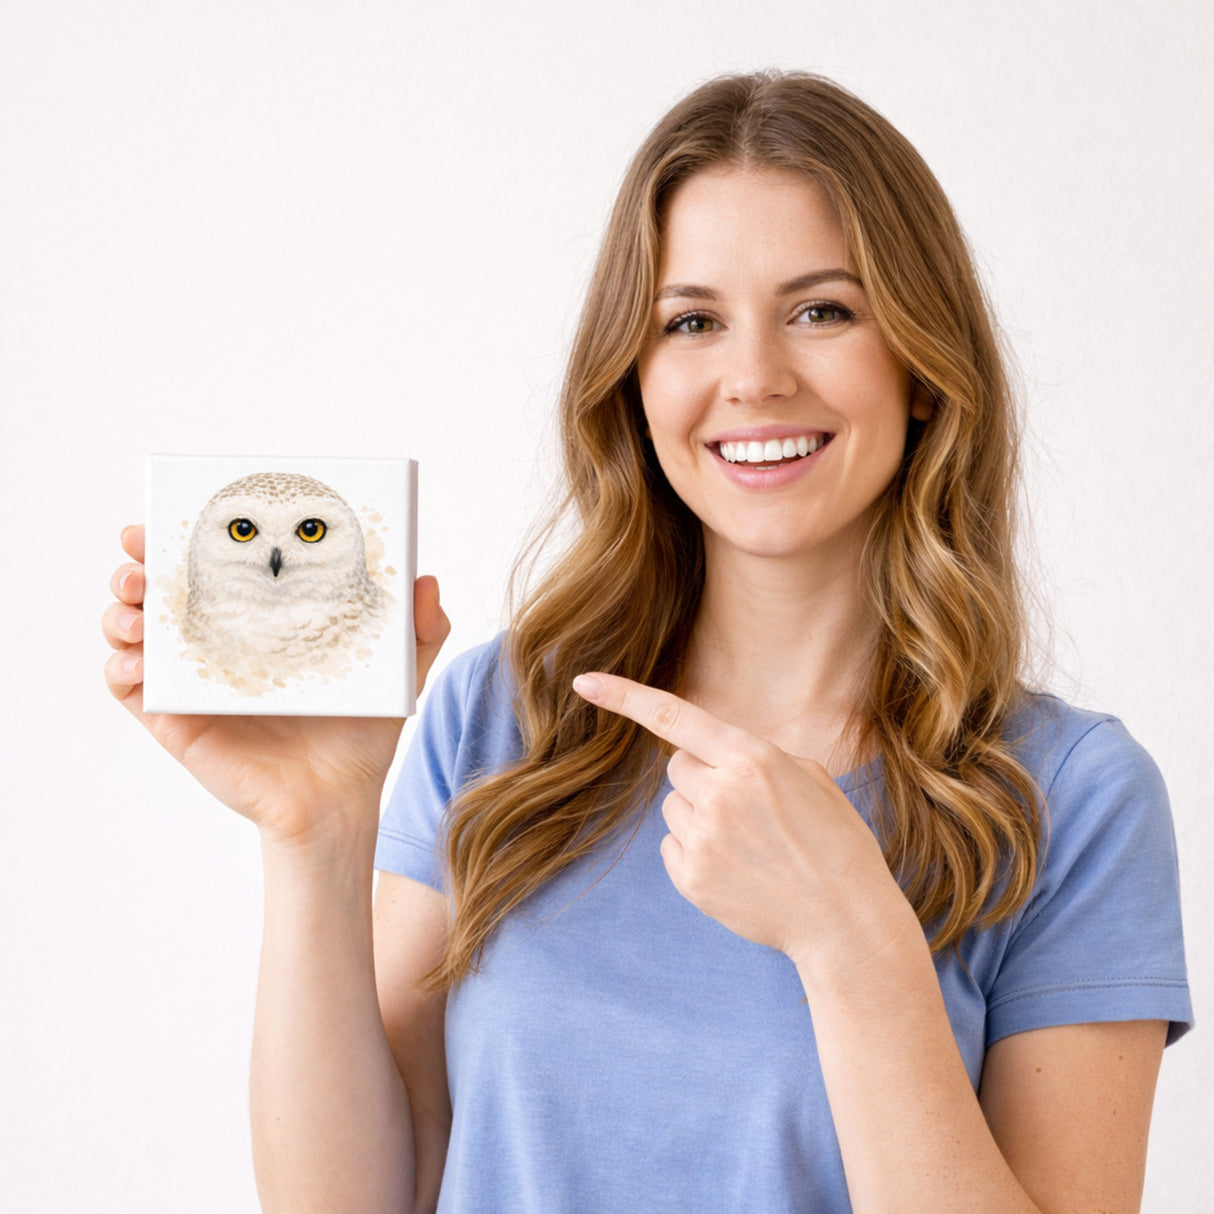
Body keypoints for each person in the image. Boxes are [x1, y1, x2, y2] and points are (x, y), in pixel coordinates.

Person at [103, 71, 1191, 1213]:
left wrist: (848, 939)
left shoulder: (1072, 797)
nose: (754, 376)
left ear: (921, 365)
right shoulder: (499, 715)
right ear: (633, 375)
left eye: (822, 309)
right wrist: (318, 836)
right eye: (690, 321)